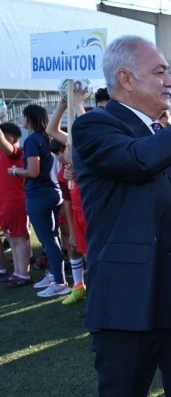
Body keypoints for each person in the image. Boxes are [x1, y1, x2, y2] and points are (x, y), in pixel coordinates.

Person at [71, 36, 171, 397]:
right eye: (159, 71)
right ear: (125, 79)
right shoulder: (95, 125)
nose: (170, 81)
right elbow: (140, 161)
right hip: (131, 302)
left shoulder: (159, 132)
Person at [12, 105, 68, 297]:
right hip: (53, 192)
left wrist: (16, 171)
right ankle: (55, 274)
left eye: (23, 116)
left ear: (28, 119)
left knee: (49, 240)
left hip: (40, 195)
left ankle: (60, 282)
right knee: (52, 238)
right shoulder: (48, 137)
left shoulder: (32, 140)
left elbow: (33, 171)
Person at [46, 92, 89, 305]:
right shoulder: (72, 146)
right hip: (79, 212)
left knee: (94, 256)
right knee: (78, 249)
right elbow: (51, 130)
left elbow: (91, 132)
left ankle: (99, 296)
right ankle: (81, 288)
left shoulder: (94, 145)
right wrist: (64, 103)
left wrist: (79, 105)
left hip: (94, 211)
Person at [0, 122, 31, 287]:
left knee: (19, 239)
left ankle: (24, 274)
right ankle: (17, 272)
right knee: (12, 239)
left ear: (9, 138)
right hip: (6, 202)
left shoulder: (16, 153)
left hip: (15, 201)